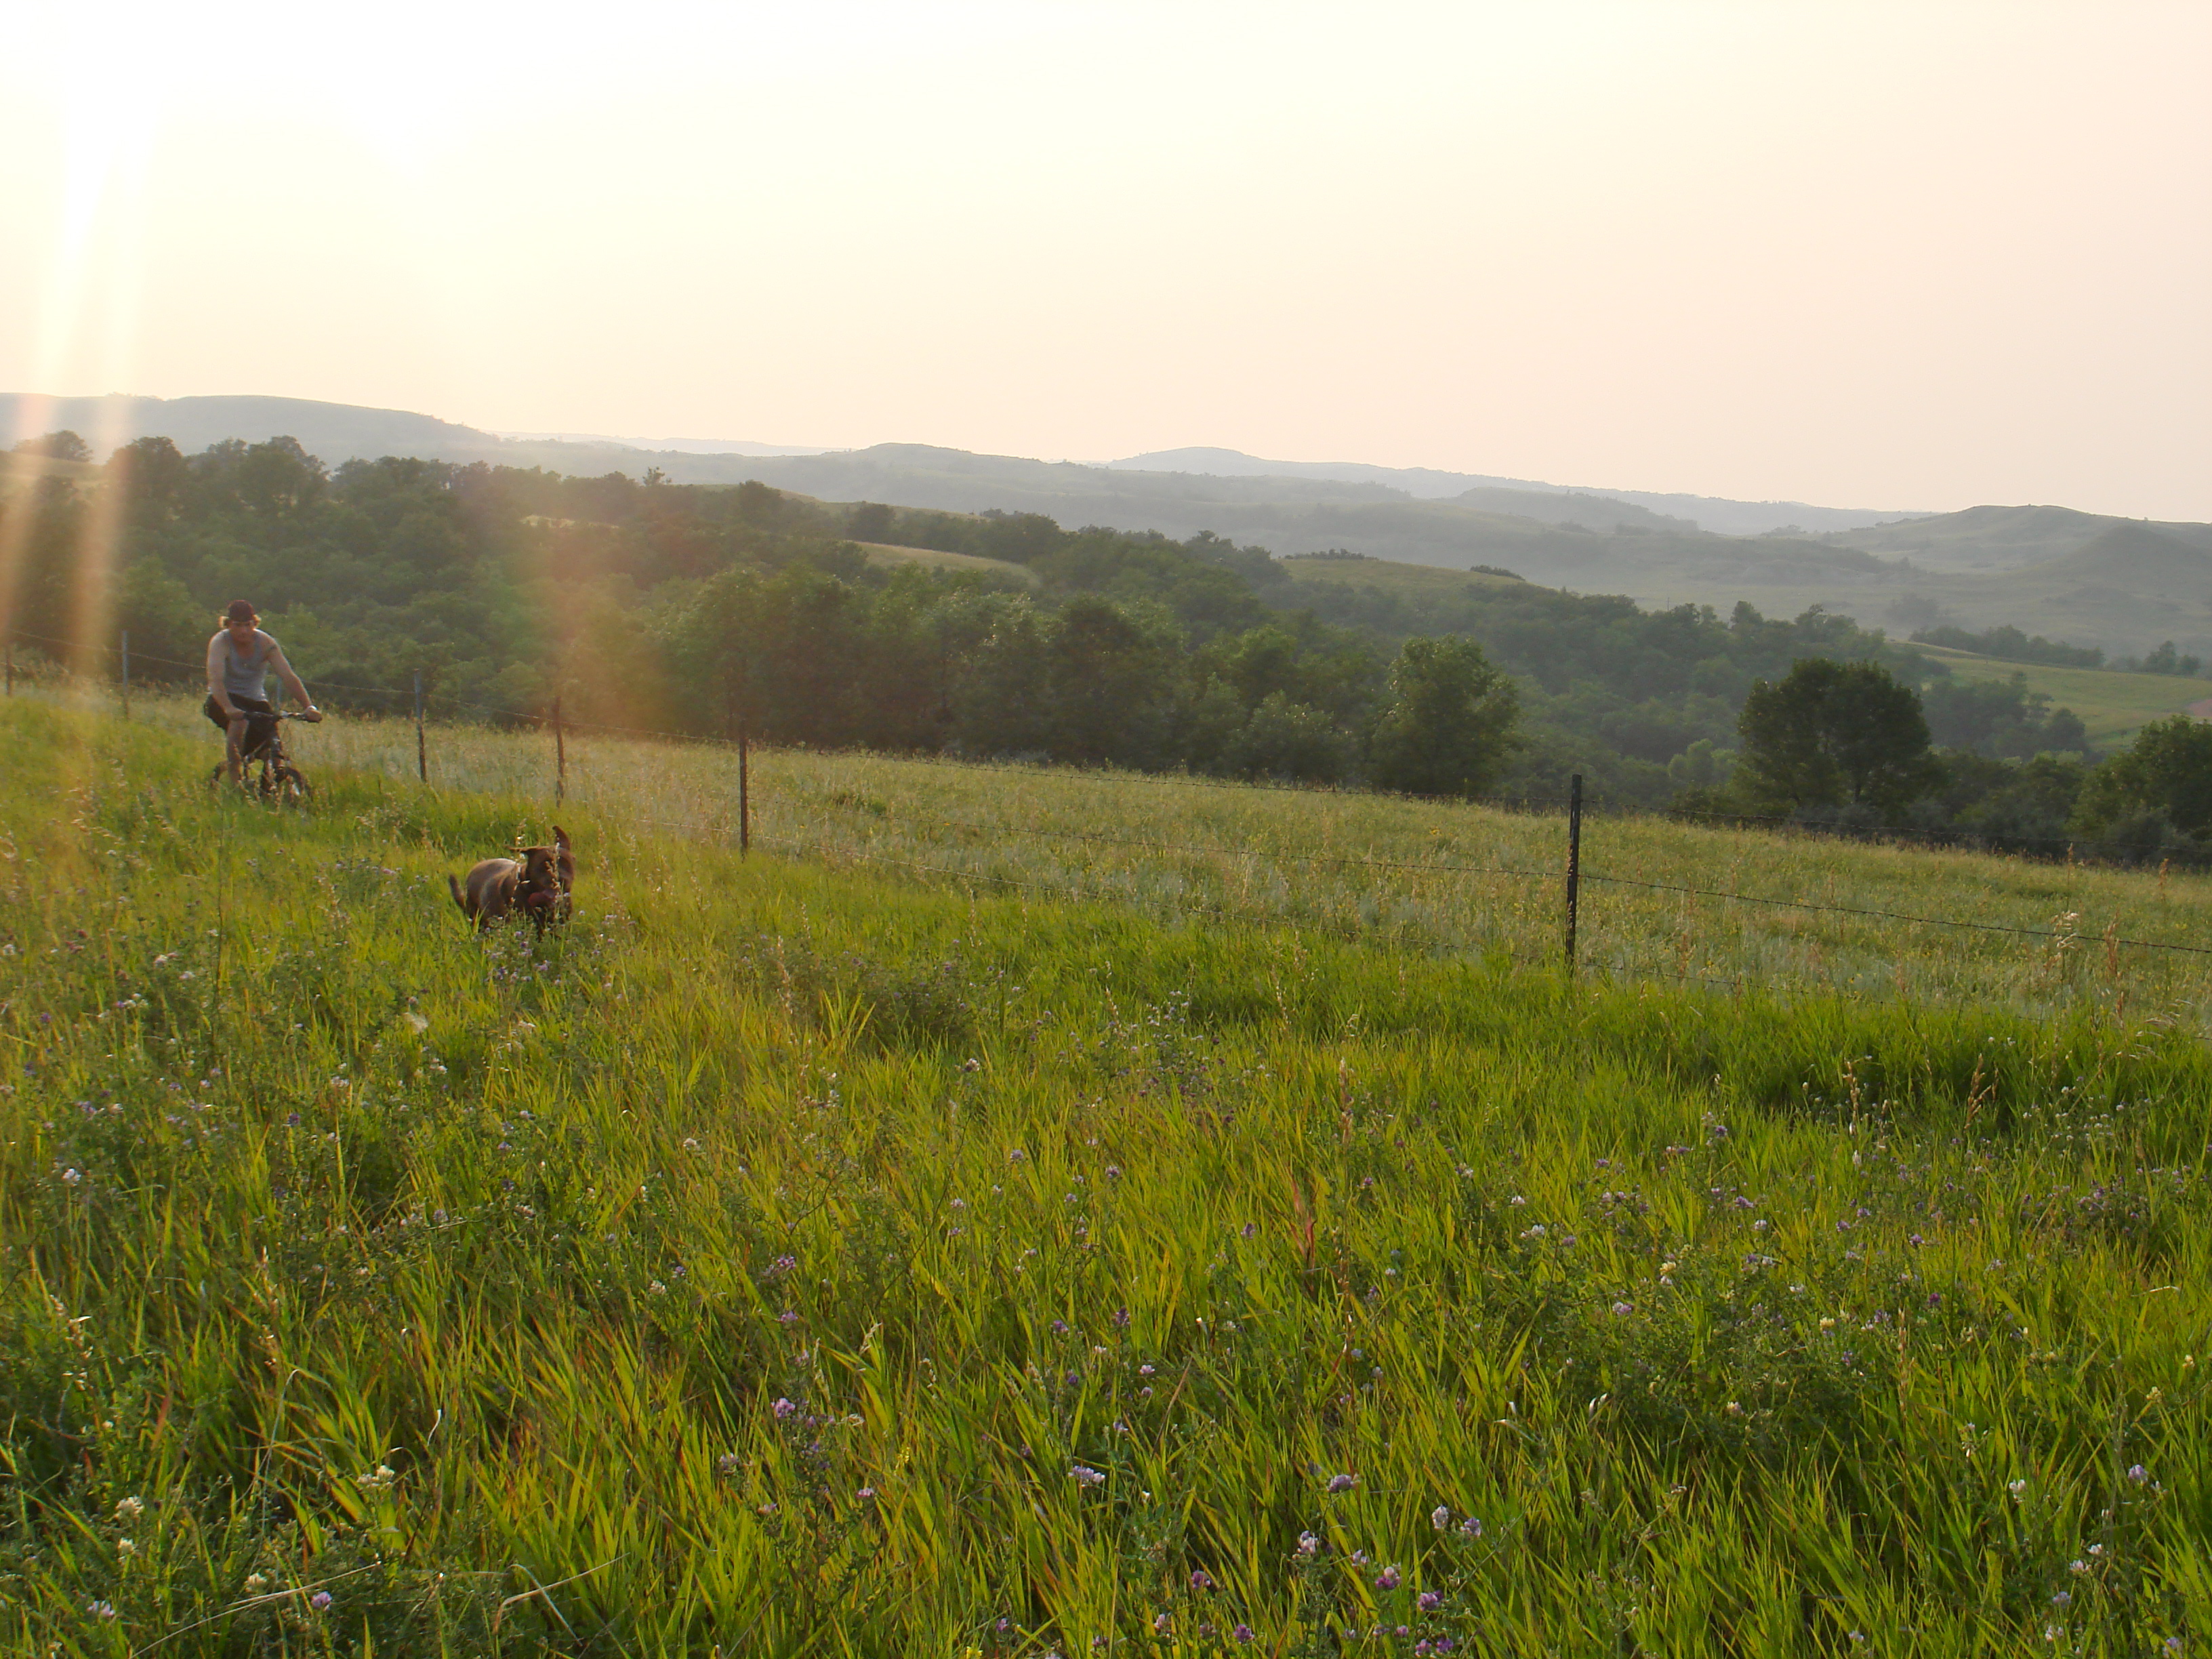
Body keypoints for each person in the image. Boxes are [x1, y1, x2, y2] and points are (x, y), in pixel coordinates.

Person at [204, 601, 320, 783]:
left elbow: (288, 676)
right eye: (238, 625)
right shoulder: (221, 642)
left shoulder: (266, 643)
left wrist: (309, 707)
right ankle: (235, 781)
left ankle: (275, 788)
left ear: (255, 624)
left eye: (248, 625)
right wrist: (228, 708)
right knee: (239, 723)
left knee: (273, 749)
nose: (244, 631)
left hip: (255, 701)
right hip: (224, 699)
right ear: (228, 625)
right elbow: (216, 680)